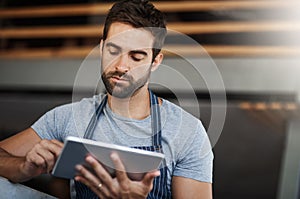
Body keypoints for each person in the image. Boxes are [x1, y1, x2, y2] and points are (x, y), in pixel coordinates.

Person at [0, 0, 213, 198]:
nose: (121, 66)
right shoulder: (65, 118)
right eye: (113, 50)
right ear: (101, 48)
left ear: (155, 61)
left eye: (136, 57)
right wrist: (22, 167)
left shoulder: (187, 132)